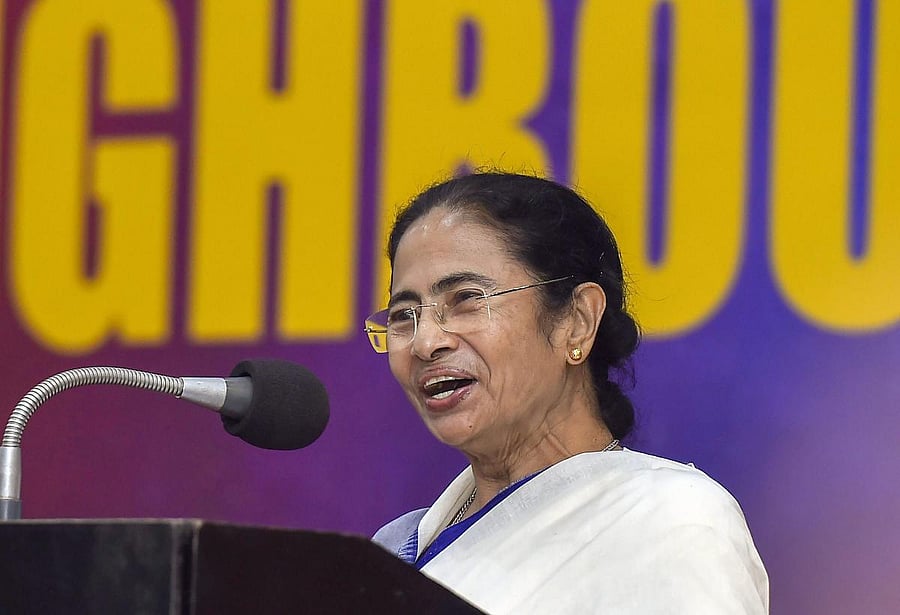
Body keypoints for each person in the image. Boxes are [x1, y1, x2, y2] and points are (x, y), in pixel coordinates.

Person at [365, 172, 768, 614]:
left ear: (576, 320)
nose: (424, 343)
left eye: (466, 299)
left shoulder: (665, 520)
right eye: (405, 314)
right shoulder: (390, 550)